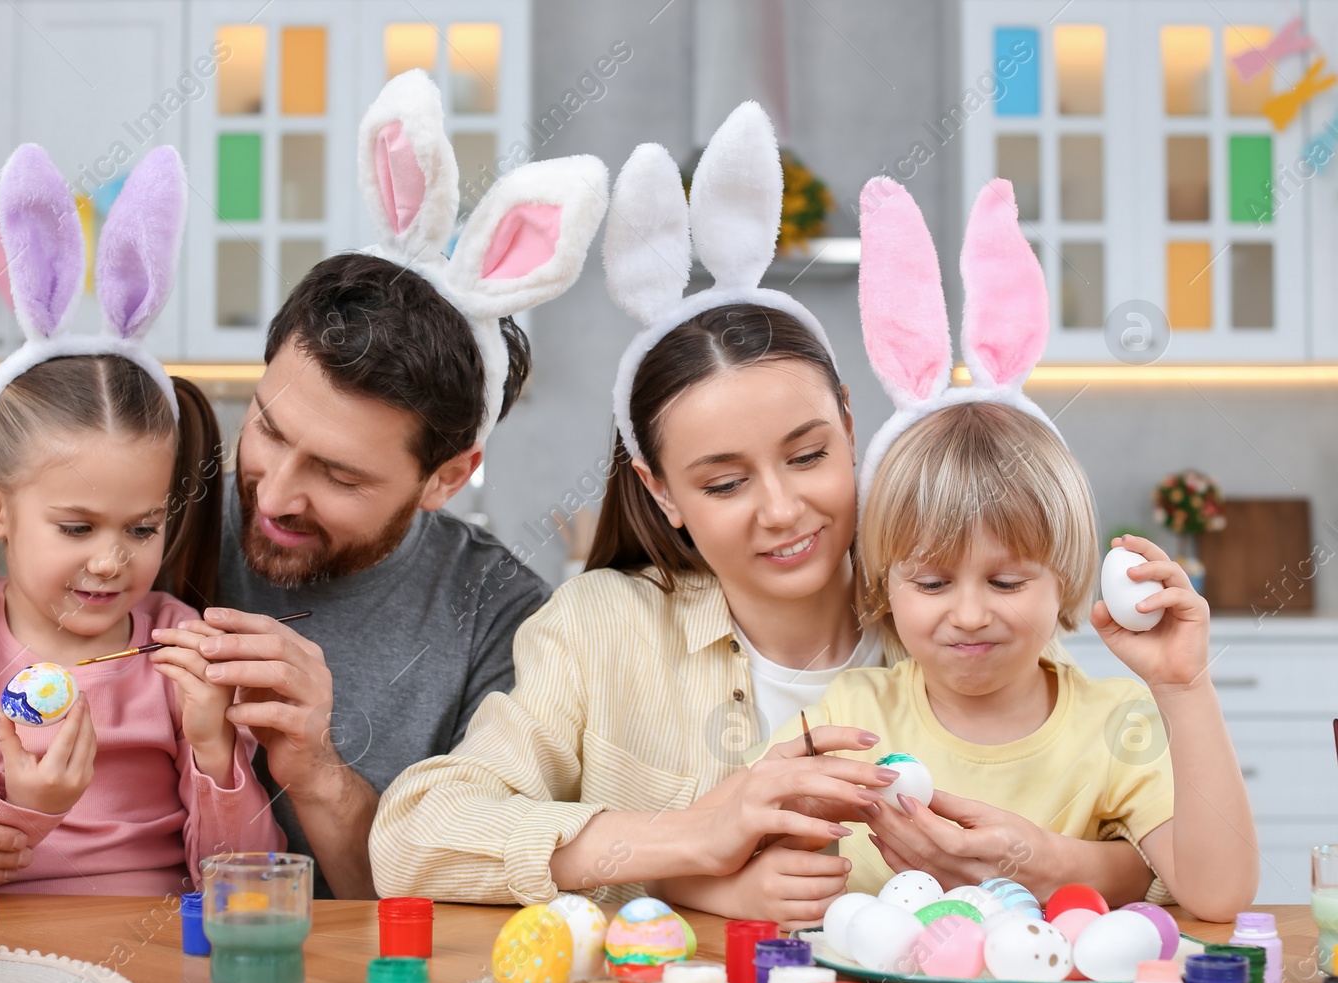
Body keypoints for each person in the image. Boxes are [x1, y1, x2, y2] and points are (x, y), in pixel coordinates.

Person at [370, 104, 1158, 926]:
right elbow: (414, 838)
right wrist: (690, 846)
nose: (783, 511)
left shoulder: (957, 612)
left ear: (850, 425)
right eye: (723, 484)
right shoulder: (599, 632)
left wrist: (1041, 860)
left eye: (809, 455)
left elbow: (1168, 863)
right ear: (662, 490)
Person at [0, 71, 610, 899]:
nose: (270, 496)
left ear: (446, 478)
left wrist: (316, 770)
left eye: (337, 474)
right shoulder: (152, 510)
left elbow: (449, 907)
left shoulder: (497, 618)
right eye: (267, 427)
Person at [755, 177, 1257, 922]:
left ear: (1063, 577)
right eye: (930, 582)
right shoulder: (851, 719)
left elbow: (1219, 897)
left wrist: (1185, 691)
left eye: (1007, 580)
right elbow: (766, 876)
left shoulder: (1112, 722)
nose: (968, 614)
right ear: (883, 584)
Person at [0, 145, 278, 894]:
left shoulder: (178, 650)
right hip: (3, 969)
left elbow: (245, 885)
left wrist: (214, 747)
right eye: (76, 527)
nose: (109, 561)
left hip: (165, 971)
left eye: (141, 528)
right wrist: (28, 810)